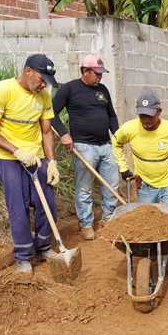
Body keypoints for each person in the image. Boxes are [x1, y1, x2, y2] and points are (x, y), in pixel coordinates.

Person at [0, 54, 60, 274]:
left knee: (48, 205)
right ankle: (24, 257)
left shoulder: (44, 96)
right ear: (28, 72)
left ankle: (44, 246)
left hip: (36, 158)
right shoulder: (1, 90)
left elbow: (46, 131)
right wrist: (16, 151)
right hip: (10, 159)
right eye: (42, 79)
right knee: (19, 207)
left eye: (47, 81)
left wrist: (51, 161)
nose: (44, 84)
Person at [52, 54, 120, 240]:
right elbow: (51, 114)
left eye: (101, 73)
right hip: (83, 147)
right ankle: (86, 224)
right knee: (84, 188)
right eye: (97, 73)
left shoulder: (103, 90)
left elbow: (112, 116)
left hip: (105, 145)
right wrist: (64, 135)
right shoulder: (69, 89)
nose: (100, 77)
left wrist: (118, 136)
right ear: (85, 71)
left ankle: (109, 218)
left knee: (112, 184)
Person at [112, 90, 168, 205]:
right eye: (142, 116)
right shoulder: (129, 129)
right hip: (145, 184)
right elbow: (116, 142)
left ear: (159, 112)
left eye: (150, 116)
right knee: (146, 217)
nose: (146, 120)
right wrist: (123, 168)